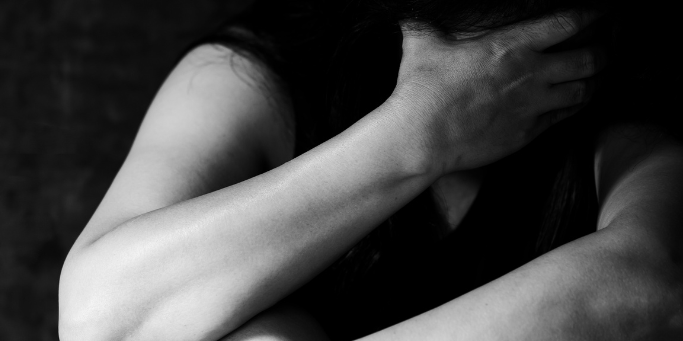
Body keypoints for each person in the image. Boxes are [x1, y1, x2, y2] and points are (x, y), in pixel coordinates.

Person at [58, 0, 683, 340]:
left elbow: (649, 286)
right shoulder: (258, 75)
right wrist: (416, 131)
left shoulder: (621, 102)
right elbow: (101, 322)